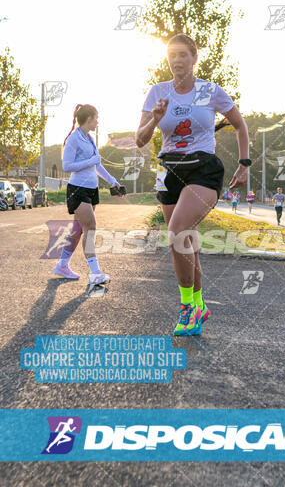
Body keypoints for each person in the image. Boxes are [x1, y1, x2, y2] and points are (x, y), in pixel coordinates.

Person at [136, 33, 250, 336]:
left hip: (203, 170)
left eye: (183, 55)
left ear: (194, 58)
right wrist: (155, 118)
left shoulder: (210, 91)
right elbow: (140, 139)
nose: (176, 60)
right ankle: (199, 303)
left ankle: (187, 306)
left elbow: (239, 125)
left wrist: (244, 164)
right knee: (188, 242)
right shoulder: (157, 92)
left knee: (177, 234)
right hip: (170, 171)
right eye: (171, 55)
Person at [53, 104, 122, 285]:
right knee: (90, 227)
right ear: (89, 118)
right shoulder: (73, 139)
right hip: (77, 189)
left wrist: (113, 181)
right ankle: (95, 273)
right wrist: (90, 160)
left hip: (92, 190)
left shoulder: (89, 138)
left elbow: (97, 165)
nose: (98, 121)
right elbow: (67, 166)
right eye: (96, 118)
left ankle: (62, 265)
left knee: (77, 230)